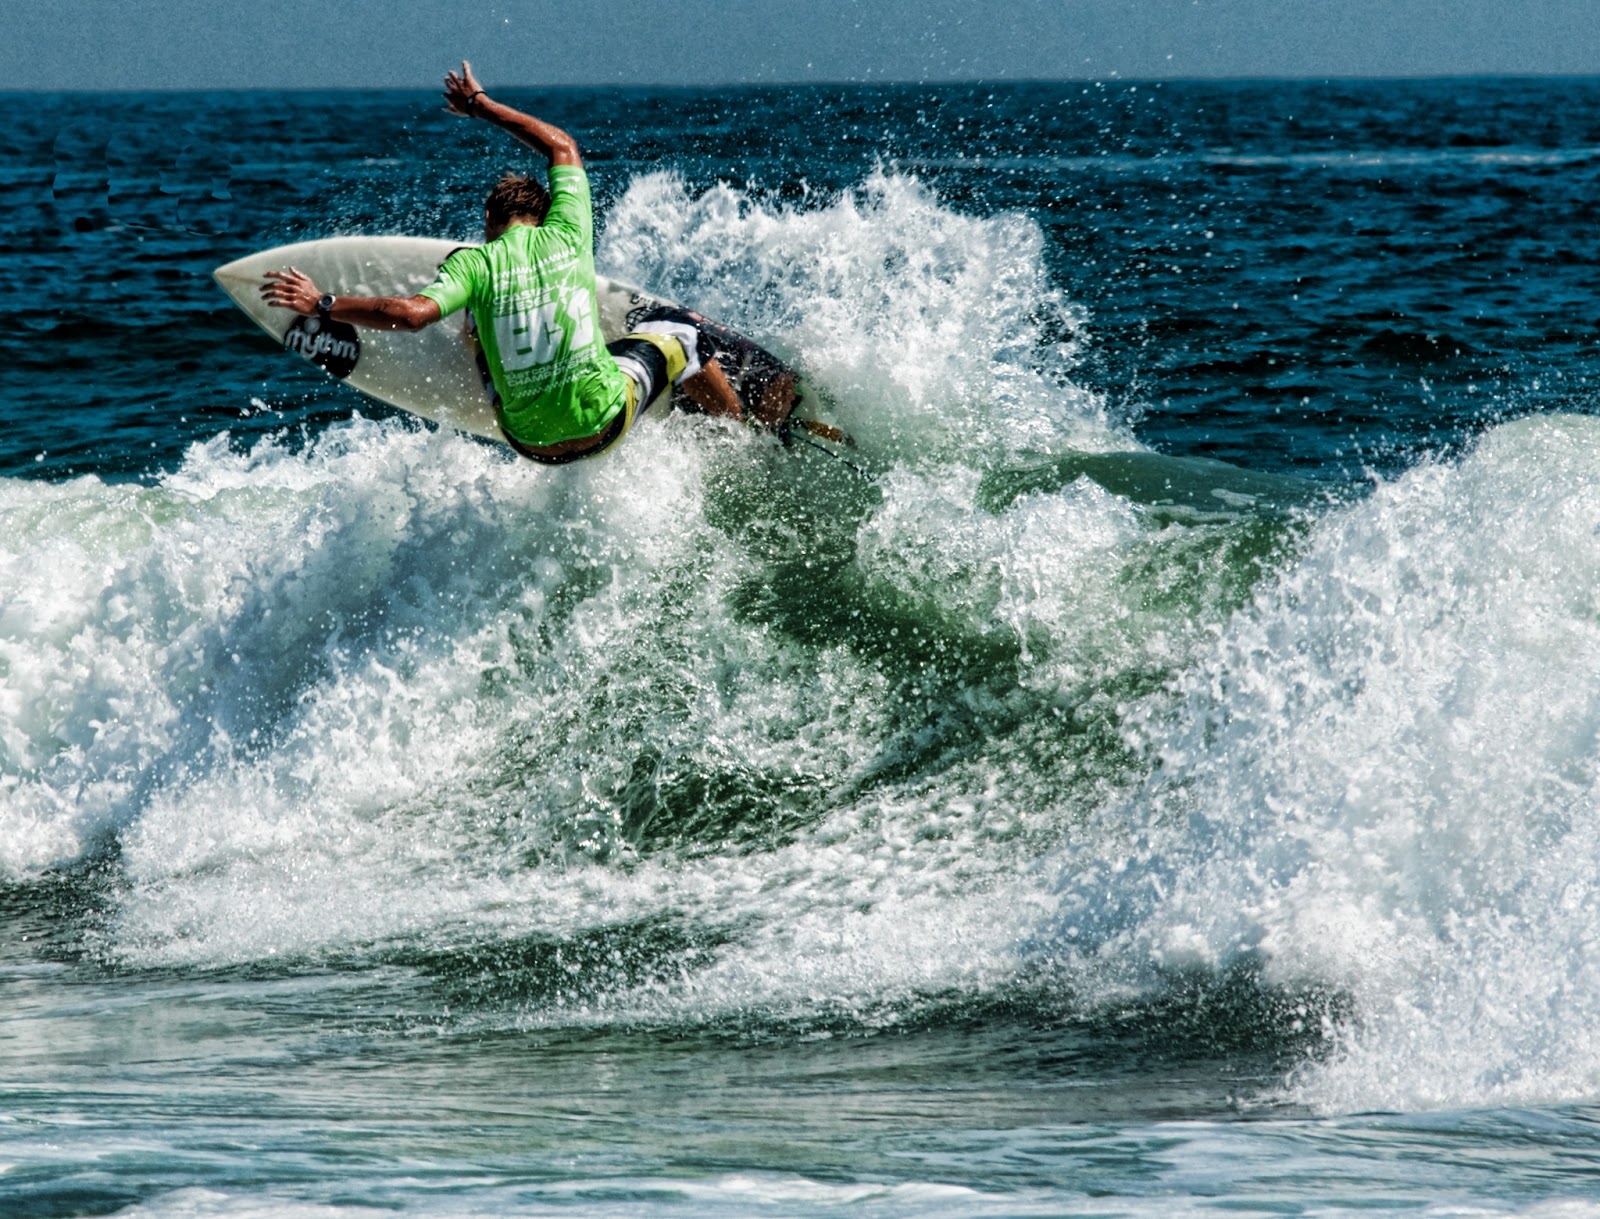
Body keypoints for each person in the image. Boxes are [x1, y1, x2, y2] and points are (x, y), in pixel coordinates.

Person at [260, 61, 777, 464]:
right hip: (605, 426)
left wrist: (320, 302)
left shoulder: (473, 266)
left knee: (475, 319)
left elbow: (411, 315)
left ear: (490, 215)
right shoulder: (569, 234)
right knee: (683, 332)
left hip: (527, 443)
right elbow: (561, 146)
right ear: (546, 213)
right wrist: (480, 105)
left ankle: (480, 338)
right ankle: (743, 441)